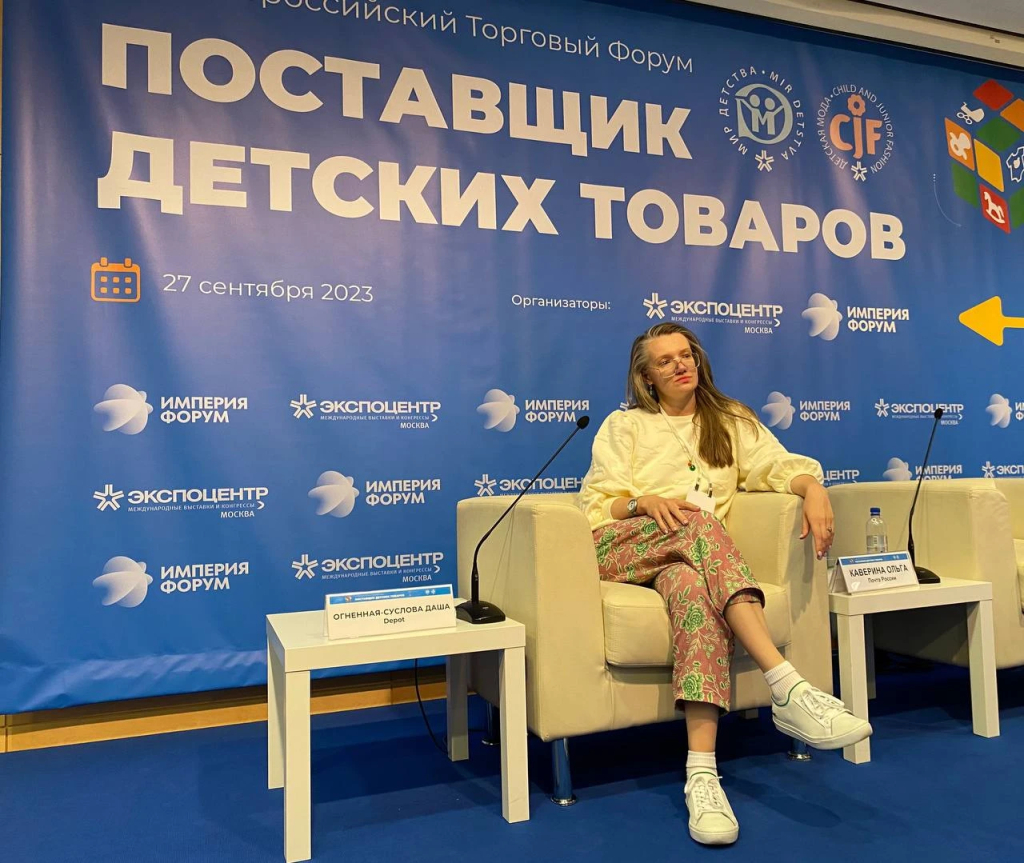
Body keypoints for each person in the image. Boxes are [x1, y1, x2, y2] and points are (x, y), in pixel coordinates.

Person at [577, 322, 871, 846]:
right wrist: (644, 502)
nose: (679, 365)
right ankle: (787, 686)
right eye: (665, 360)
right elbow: (597, 503)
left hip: (691, 558)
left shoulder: (730, 419)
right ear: (646, 377)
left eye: (685, 355)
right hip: (624, 546)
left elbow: (775, 466)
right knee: (700, 523)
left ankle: (702, 777)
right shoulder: (626, 426)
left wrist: (813, 488)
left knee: (694, 592)